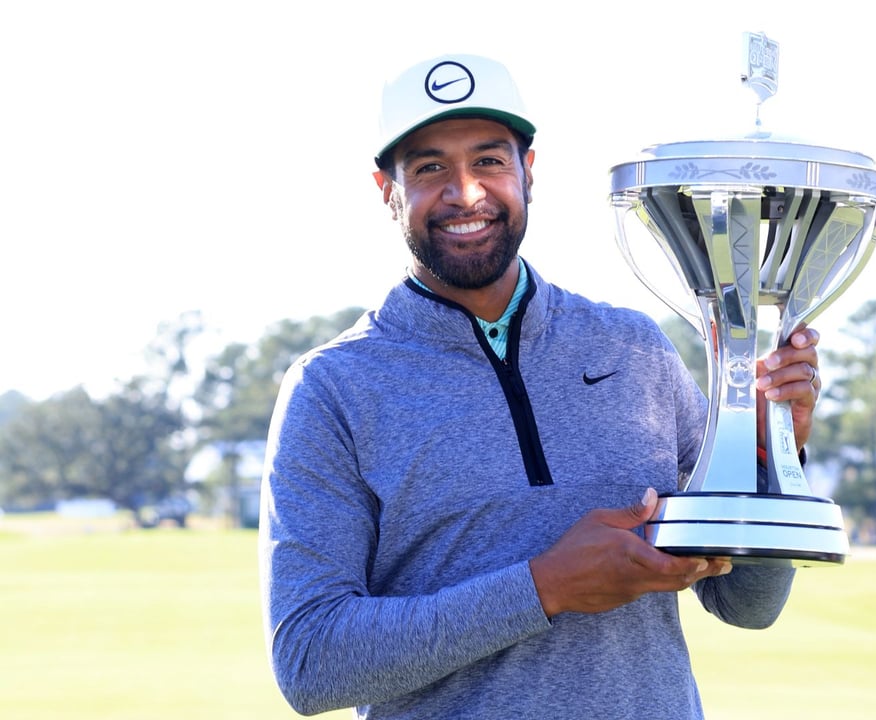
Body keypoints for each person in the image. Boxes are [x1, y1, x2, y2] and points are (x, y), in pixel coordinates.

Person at [258, 53, 824, 720]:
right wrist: (545, 587)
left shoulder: (634, 347)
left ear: (529, 171)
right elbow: (310, 663)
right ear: (386, 188)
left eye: (489, 161)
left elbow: (749, 606)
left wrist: (768, 455)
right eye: (431, 167)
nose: (465, 193)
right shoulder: (332, 390)